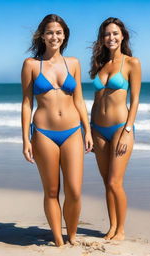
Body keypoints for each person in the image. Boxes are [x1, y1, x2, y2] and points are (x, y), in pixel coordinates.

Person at [21, 14, 93, 246]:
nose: (55, 36)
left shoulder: (73, 63)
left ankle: (71, 235)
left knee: (74, 191)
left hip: (73, 131)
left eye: (59, 32)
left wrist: (88, 131)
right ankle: (58, 241)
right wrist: (25, 139)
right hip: (43, 133)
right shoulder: (31, 65)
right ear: (42, 35)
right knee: (52, 191)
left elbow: (80, 100)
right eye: (50, 32)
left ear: (65, 36)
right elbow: (26, 103)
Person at [90, 17, 141, 240]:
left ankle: (121, 230)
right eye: (107, 34)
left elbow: (136, 99)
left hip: (121, 128)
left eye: (115, 33)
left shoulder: (132, 63)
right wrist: (89, 130)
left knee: (114, 181)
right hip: (98, 129)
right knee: (106, 182)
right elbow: (96, 100)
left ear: (122, 36)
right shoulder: (100, 65)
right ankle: (111, 227)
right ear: (102, 38)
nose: (111, 37)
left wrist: (127, 130)